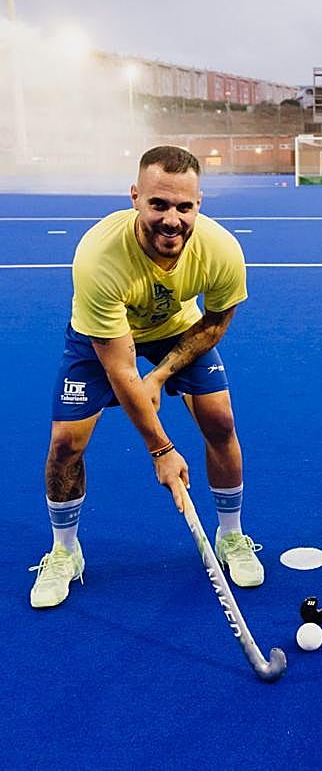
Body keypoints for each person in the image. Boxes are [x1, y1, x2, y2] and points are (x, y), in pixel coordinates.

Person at [30, 145, 264, 609]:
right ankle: (64, 551)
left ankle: (232, 536)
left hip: (177, 328)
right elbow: (120, 368)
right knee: (65, 445)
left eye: (184, 206)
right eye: (158, 204)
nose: (171, 219)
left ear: (199, 203)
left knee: (220, 422)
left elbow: (214, 324)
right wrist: (162, 449)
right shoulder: (99, 256)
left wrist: (158, 377)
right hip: (100, 337)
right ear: (135, 197)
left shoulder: (221, 251)